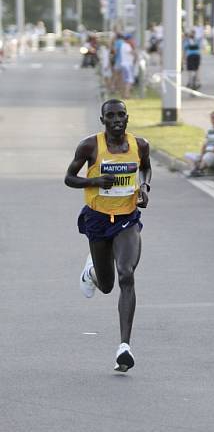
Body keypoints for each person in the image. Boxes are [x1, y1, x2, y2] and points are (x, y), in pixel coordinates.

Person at [64, 99, 152, 372]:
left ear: (127, 118)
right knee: (107, 285)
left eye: (121, 115)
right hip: (98, 219)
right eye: (110, 116)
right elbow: (69, 177)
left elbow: (145, 167)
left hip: (127, 219)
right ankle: (91, 272)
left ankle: (124, 347)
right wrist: (94, 181)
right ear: (103, 120)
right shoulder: (90, 146)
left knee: (127, 273)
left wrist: (144, 186)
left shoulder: (140, 145)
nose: (116, 120)